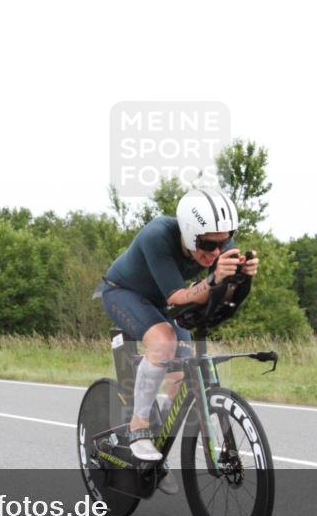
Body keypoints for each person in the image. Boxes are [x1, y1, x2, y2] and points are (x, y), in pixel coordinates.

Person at [94, 188, 259, 494]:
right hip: (124, 292)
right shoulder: (157, 234)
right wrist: (213, 279)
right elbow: (178, 298)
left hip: (165, 300)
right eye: (209, 245)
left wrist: (241, 280)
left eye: (224, 242)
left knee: (182, 369)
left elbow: (224, 298)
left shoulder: (218, 241)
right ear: (188, 232)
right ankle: (138, 427)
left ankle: (158, 440)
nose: (216, 252)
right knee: (163, 342)